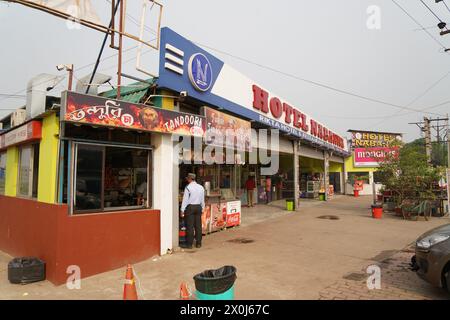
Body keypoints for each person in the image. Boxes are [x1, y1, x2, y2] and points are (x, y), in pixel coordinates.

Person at [180, 173, 205, 249]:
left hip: (190, 207)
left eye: (187, 178)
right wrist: (203, 207)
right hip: (198, 207)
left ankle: (189, 244)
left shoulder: (188, 187)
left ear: (190, 179)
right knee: (198, 226)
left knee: (190, 226)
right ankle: (198, 243)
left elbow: (185, 200)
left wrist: (182, 210)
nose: (187, 180)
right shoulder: (201, 187)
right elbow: (202, 199)